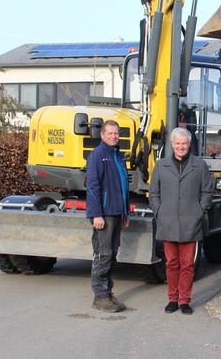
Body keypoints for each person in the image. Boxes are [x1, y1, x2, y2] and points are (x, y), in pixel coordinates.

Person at [149, 127, 215, 315]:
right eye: (177, 143)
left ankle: (184, 300)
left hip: (191, 223)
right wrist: (159, 212)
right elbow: (153, 193)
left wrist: (200, 210)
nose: (181, 147)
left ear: (189, 145)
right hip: (167, 222)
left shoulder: (199, 165)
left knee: (187, 265)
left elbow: (207, 191)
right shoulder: (161, 166)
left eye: (184, 143)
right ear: (172, 145)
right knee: (171, 263)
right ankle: (172, 299)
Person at [86, 120, 130, 313]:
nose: (113, 136)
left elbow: (123, 187)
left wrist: (125, 211)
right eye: (110, 133)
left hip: (116, 212)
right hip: (103, 213)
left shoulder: (118, 157)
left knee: (112, 254)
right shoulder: (97, 156)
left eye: (116, 133)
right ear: (102, 135)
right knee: (103, 255)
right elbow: (93, 186)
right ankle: (100, 296)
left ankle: (107, 293)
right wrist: (97, 213)